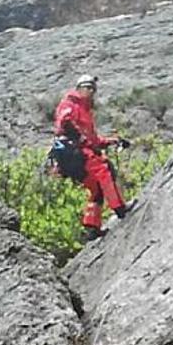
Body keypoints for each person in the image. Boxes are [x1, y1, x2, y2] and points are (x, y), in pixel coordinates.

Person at [53, 74, 135, 241]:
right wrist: (83, 141)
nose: (91, 91)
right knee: (104, 170)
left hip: (75, 153)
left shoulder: (85, 111)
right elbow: (65, 123)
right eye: (87, 87)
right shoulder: (70, 104)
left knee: (96, 188)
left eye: (93, 88)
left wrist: (113, 141)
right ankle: (120, 208)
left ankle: (92, 226)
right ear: (79, 88)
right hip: (76, 152)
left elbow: (94, 140)